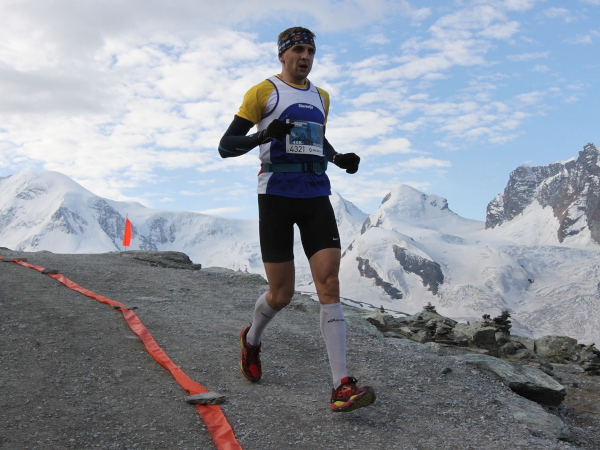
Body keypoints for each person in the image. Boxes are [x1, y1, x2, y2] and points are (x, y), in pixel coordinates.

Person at [218, 26, 375, 413]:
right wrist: (262, 136)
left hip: (315, 193)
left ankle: (341, 385)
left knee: (329, 283)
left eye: (311, 51)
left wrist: (337, 158)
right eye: (299, 50)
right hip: (275, 194)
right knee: (281, 293)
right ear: (283, 54)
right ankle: (251, 339)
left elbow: (316, 138)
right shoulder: (263, 92)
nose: (305, 57)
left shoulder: (321, 97)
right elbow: (225, 146)